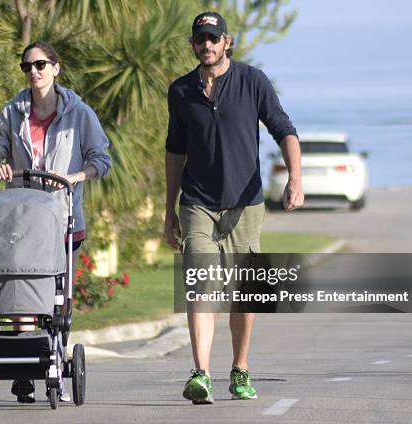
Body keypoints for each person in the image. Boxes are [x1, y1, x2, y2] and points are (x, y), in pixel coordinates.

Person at [164, 12, 304, 405]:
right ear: (193, 44)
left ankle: (240, 369)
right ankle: (201, 373)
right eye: (199, 39)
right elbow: (175, 150)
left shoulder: (252, 81)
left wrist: (295, 178)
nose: (206, 45)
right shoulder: (180, 91)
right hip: (197, 203)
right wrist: (168, 209)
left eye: (213, 38)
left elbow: (284, 130)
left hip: (245, 205)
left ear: (227, 41)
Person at [0, 40, 111, 403]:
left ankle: (50, 357)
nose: (34, 72)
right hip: (22, 218)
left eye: (40, 65)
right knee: (21, 290)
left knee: (55, 300)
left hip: (63, 217)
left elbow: (100, 159)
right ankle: (24, 370)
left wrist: (74, 178)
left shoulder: (79, 113)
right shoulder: (13, 112)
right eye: (27, 66)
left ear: (56, 68)